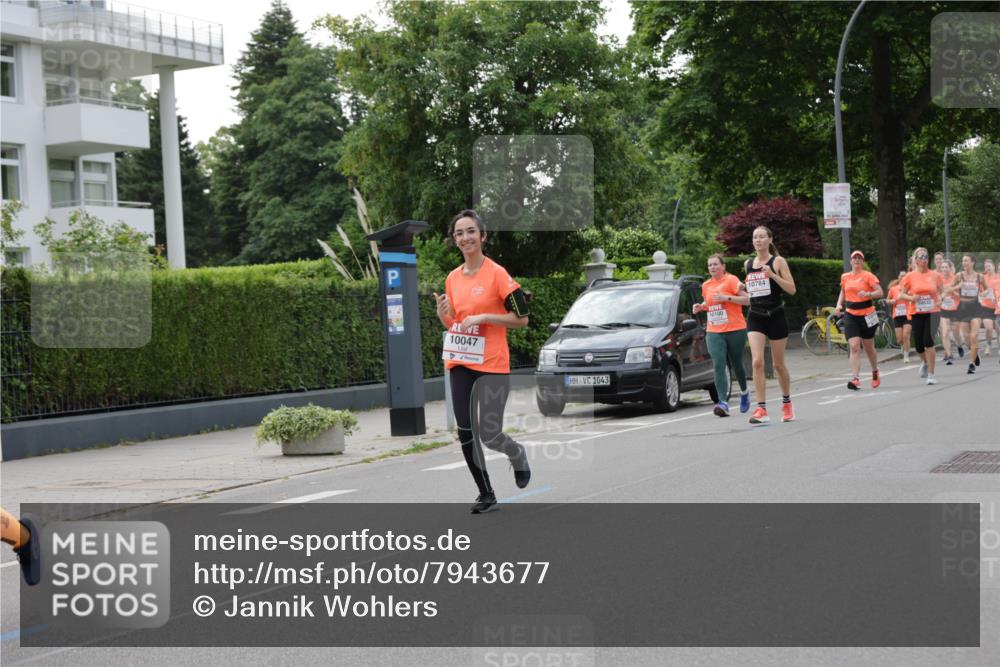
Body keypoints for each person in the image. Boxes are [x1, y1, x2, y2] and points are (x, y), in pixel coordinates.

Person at [434, 209, 531, 514]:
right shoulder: (452, 278)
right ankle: (485, 492)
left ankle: (516, 454)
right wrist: (443, 315)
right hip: (462, 361)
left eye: (470, 231)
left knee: (490, 434)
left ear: (483, 235)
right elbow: (455, 324)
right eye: (459, 233)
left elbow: (522, 319)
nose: (465, 238)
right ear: (455, 240)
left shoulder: (498, 274)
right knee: (465, 430)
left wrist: (487, 316)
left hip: (492, 363)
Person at [743, 226, 796, 425]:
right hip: (755, 315)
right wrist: (742, 288)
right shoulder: (748, 263)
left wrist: (773, 275)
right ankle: (761, 409)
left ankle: (786, 402)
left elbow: (792, 289)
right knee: (757, 361)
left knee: (778, 364)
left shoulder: (778, 261)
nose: (758, 240)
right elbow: (752, 292)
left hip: (775, 315)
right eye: (755, 237)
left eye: (762, 237)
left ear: (770, 239)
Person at [693, 254, 751, 417]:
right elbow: (709, 304)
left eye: (715, 264)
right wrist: (701, 307)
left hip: (735, 329)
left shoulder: (732, 280)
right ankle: (722, 402)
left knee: (737, 363)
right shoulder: (706, 285)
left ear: (723, 266)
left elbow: (747, 300)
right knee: (719, 363)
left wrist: (727, 297)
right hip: (714, 331)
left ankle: (745, 392)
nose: (712, 267)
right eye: (710, 265)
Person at [833, 250, 883, 390]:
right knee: (854, 346)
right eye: (854, 258)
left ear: (863, 262)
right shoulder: (845, 277)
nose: (857, 260)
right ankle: (855, 379)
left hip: (867, 315)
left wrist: (868, 293)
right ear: (850, 261)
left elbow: (880, 292)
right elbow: (843, 291)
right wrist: (838, 305)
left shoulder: (868, 276)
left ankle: (875, 371)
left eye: (859, 258)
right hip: (851, 314)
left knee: (868, 347)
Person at [899, 247, 945, 384]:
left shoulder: (935, 275)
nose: (924, 259)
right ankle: (925, 362)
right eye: (921, 257)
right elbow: (902, 294)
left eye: (926, 257)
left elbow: (942, 291)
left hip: (933, 312)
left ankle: (931, 374)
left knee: (928, 341)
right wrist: (911, 298)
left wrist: (940, 298)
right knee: (919, 345)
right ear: (916, 260)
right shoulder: (910, 276)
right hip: (917, 312)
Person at [955, 254, 988, 375]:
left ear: (972, 262)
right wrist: (955, 291)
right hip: (963, 308)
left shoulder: (980, 276)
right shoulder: (959, 276)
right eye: (963, 261)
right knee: (967, 339)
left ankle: (971, 364)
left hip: (975, 307)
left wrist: (983, 294)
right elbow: (950, 287)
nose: (964, 263)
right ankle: (975, 353)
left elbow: (988, 289)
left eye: (966, 261)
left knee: (974, 336)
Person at [938, 260, 960, 365]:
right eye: (942, 267)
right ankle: (949, 353)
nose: (944, 269)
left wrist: (953, 291)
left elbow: (961, 294)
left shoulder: (955, 278)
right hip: (943, 308)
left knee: (955, 330)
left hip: (955, 308)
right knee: (945, 331)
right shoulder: (938, 279)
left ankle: (959, 344)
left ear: (950, 268)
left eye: (946, 267)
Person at [886, 272, 912, 363]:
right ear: (899, 277)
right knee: (899, 339)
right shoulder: (893, 289)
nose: (903, 277)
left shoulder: (910, 288)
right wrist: (891, 301)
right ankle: (902, 345)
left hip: (908, 315)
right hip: (897, 315)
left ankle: (906, 355)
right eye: (901, 275)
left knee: (906, 336)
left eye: (905, 275)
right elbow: (887, 300)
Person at [980, 258, 997, 355]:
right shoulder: (982, 278)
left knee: (998, 329)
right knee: (988, 328)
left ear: (993, 266)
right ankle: (988, 345)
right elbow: (979, 292)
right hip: (986, 307)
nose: (987, 268)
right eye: (985, 267)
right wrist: (983, 295)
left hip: (997, 307)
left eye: (989, 266)